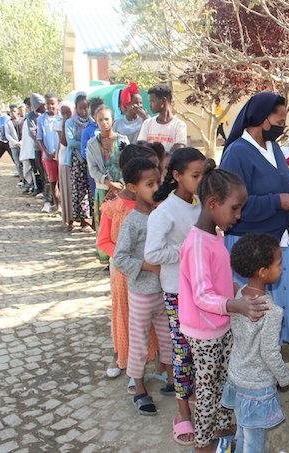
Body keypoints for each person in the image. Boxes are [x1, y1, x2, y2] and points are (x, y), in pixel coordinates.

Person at [178, 164, 268, 453]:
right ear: (213, 203)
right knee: (207, 389)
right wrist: (236, 305)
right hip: (203, 332)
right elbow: (203, 295)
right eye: (235, 208)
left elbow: (218, 280)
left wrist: (239, 292)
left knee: (225, 378)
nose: (238, 216)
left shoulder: (214, 236)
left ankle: (223, 425)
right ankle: (204, 443)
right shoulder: (197, 245)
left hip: (220, 324)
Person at [220, 91, 289, 345]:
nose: (282, 125)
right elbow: (234, 203)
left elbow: (282, 179)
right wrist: (276, 201)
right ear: (262, 119)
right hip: (249, 242)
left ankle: (274, 347)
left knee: (277, 298)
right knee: (254, 305)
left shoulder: (274, 147)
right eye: (279, 120)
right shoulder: (237, 152)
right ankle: (256, 354)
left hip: (276, 236)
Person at [144, 147, 208, 445]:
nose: (200, 180)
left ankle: (198, 399)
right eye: (195, 175)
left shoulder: (199, 205)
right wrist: (185, 251)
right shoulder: (164, 212)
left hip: (202, 289)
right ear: (177, 175)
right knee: (183, 353)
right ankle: (182, 412)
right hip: (178, 292)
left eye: (203, 174)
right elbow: (152, 253)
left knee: (202, 349)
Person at [223, 233, 289, 452]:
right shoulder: (272, 311)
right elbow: (269, 353)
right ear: (263, 272)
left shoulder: (241, 296)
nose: (282, 268)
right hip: (256, 386)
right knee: (254, 440)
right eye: (279, 264)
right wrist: (287, 378)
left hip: (237, 375)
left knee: (242, 431)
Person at [97, 144, 161, 389]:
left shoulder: (154, 206)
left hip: (151, 277)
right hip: (124, 274)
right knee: (126, 320)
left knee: (152, 322)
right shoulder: (114, 206)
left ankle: (152, 362)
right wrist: (131, 262)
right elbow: (103, 241)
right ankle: (123, 358)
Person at [113, 158, 173, 416]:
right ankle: (138, 388)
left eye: (158, 182)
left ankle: (173, 379)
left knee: (169, 337)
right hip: (141, 293)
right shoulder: (132, 221)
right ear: (133, 187)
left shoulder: (162, 214)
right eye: (150, 184)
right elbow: (120, 257)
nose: (156, 187)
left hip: (164, 291)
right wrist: (148, 266)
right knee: (138, 343)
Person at [86, 105, 129, 256]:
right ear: (96, 121)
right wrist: (109, 183)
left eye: (106, 119)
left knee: (121, 225)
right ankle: (106, 256)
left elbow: (129, 164)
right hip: (102, 191)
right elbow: (93, 170)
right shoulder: (91, 144)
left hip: (122, 191)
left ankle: (122, 255)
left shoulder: (123, 141)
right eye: (100, 120)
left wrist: (121, 184)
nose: (104, 122)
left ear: (112, 120)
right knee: (104, 225)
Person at [66, 93, 93, 232]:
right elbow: (70, 142)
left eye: (86, 108)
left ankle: (94, 219)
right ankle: (84, 221)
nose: (84, 111)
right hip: (77, 159)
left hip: (91, 158)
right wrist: (86, 143)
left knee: (92, 188)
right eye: (81, 108)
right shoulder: (70, 122)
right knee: (80, 190)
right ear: (76, 108)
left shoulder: (92, 122)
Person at [137, 84, 187, 154]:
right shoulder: (147, 123)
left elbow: (178, 150)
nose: (150, 105)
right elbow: (141, 146)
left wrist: (163, 160)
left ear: (163, 100)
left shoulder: (179, 125)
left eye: (152, 101)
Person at [37, 94, 61, 214]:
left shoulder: (61, 117)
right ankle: (58, 205)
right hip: (48, 155)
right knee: (53, 181)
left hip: (61, 154)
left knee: (63, 181)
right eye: (48, 104)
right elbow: (39, 138)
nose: (50, 106)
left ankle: (64, 204)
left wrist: (58, 152)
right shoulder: (41, 119)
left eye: (53, 103)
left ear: (57, 104)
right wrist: (46, 152)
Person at [19, 94, 44, 196]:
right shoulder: (30, 117)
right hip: (37, 148)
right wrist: (41, 145)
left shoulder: (45, 116)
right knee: (38, 171)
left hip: (47, 150)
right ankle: (39, 188)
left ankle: (43, 191)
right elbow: (32, 134)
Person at [56, 101, 74, 230]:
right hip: (65, 159)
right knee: (67, 189)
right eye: (63, 113)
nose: (66, 115)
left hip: (76, 162)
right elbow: (64, 142)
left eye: (68, 112)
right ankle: (69, 219)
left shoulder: (77, 123)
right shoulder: (60, 124)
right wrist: (64, 124)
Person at [4, 104, 24, 184]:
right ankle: (22, 178)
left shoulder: (22, 120)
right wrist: (16, 143)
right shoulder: (8, 122)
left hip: (23, 145)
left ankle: (27, 179)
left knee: (25, 162)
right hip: (14, 146)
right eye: (11, 112)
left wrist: (21, 142)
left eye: (14, 111)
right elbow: (7, 135)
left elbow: (24, 133)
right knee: (17, 163)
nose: (13, 113)